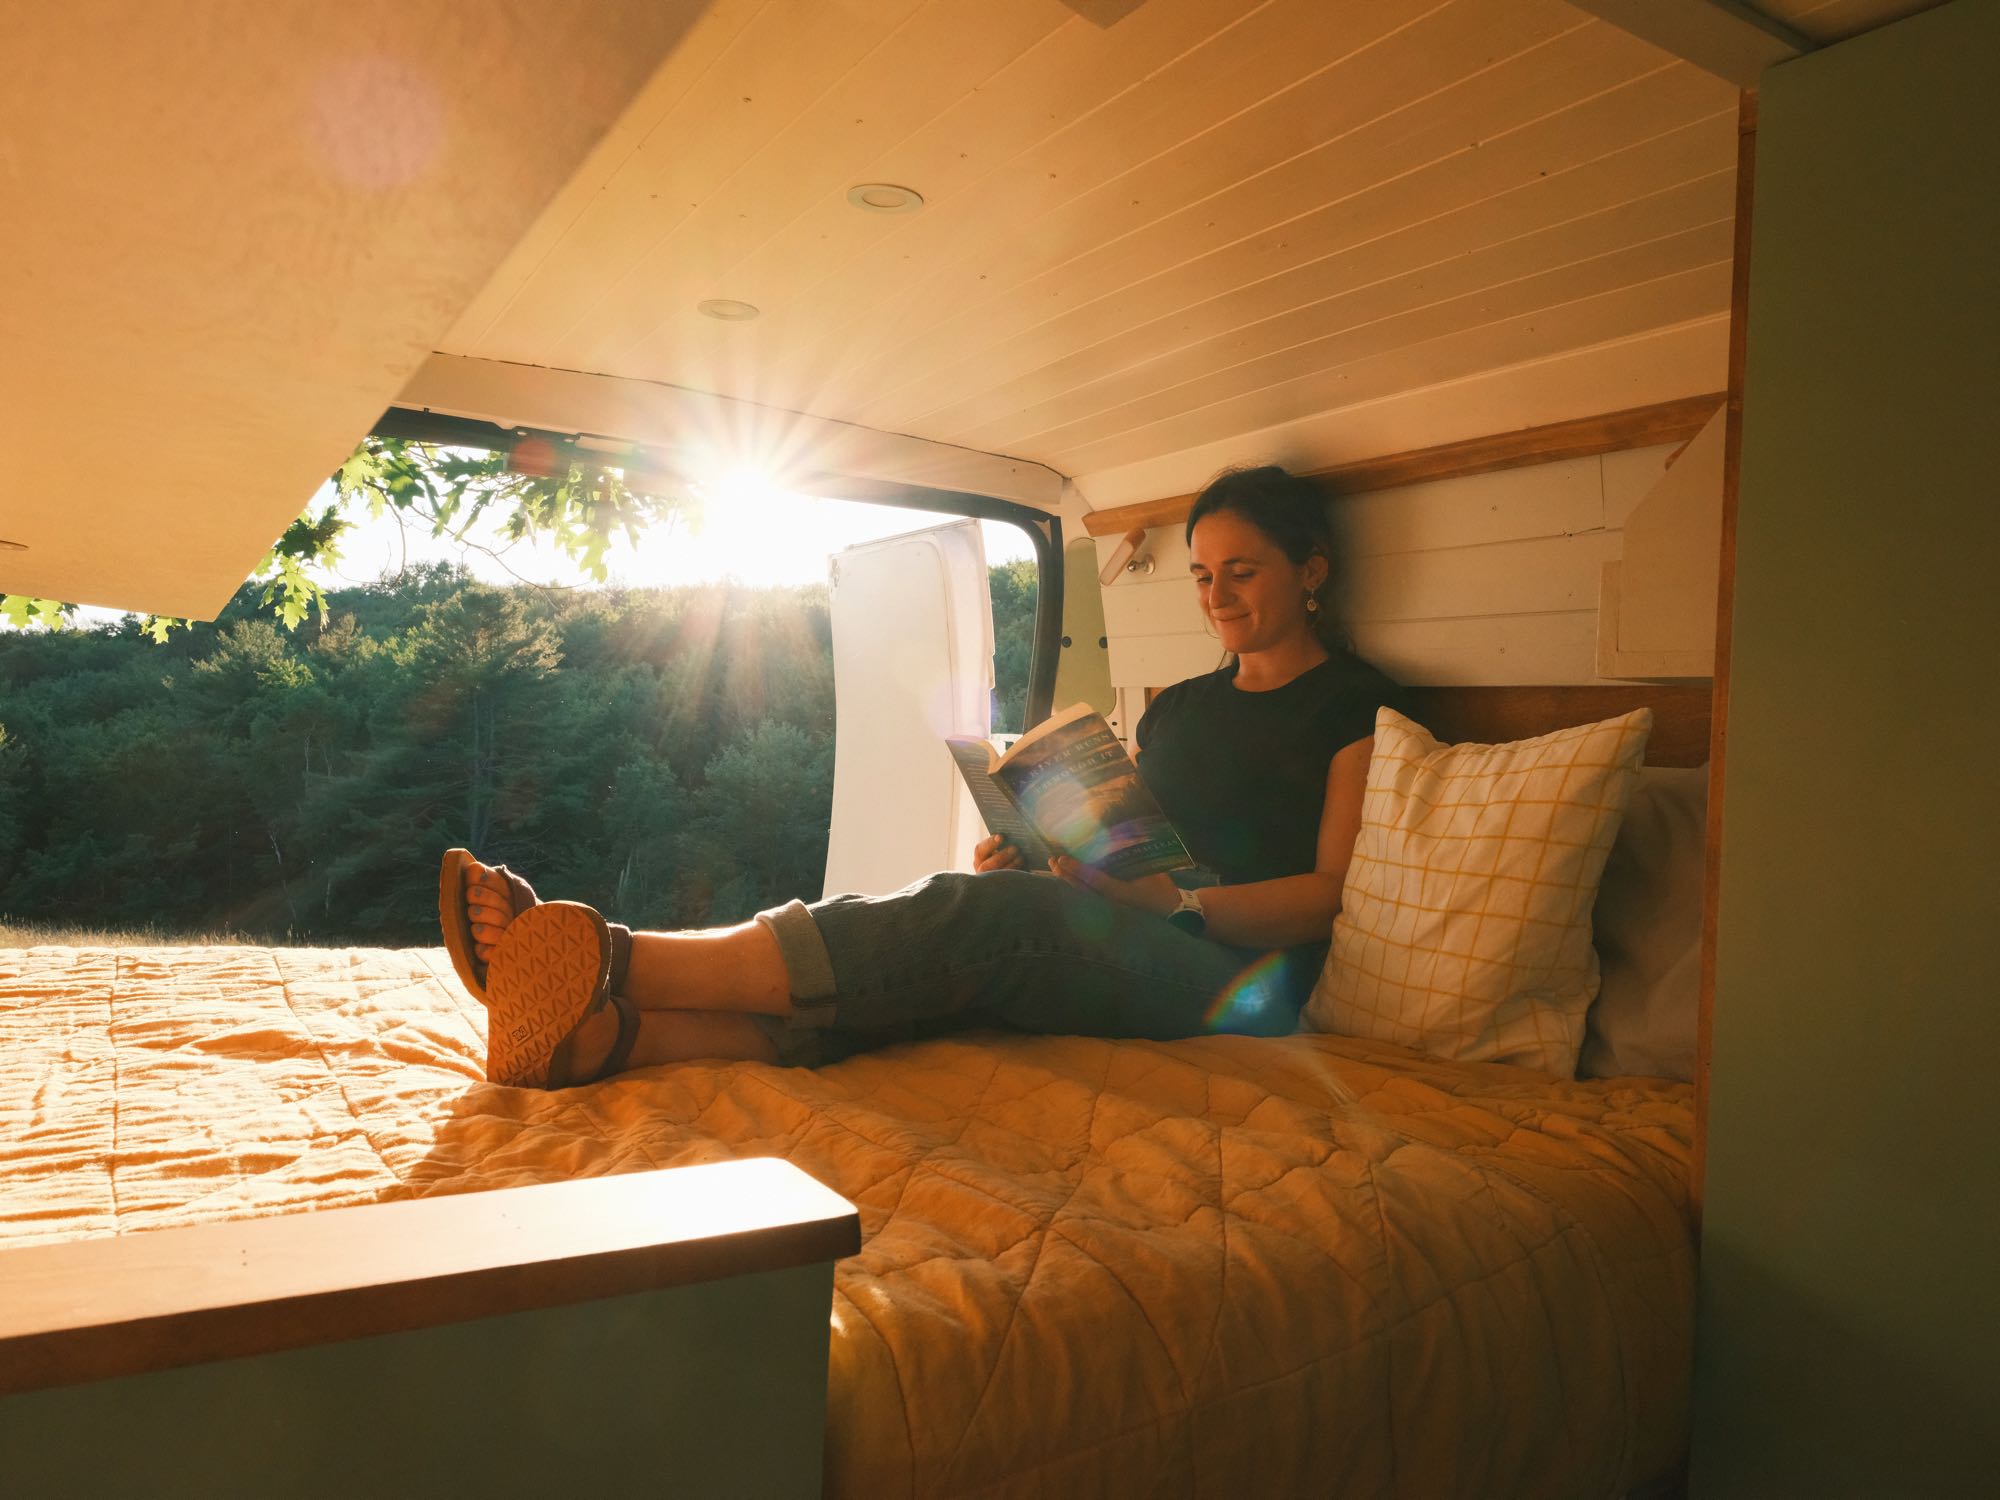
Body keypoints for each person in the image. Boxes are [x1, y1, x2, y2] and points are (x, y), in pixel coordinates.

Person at [440, 465, 1410, 1089]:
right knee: (933, 956)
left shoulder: (1354, 706)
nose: (1216, 595)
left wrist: (1175, 907)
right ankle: (617, 1039)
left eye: (1241, 571)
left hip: (1238, 982)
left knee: (985, 921)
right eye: (1201, 574)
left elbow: (1329, 894)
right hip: (1134, 927)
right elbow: (1135, 837)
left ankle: (610, 958)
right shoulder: (1179, 705)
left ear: (1310, 570)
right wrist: (1041, 849)